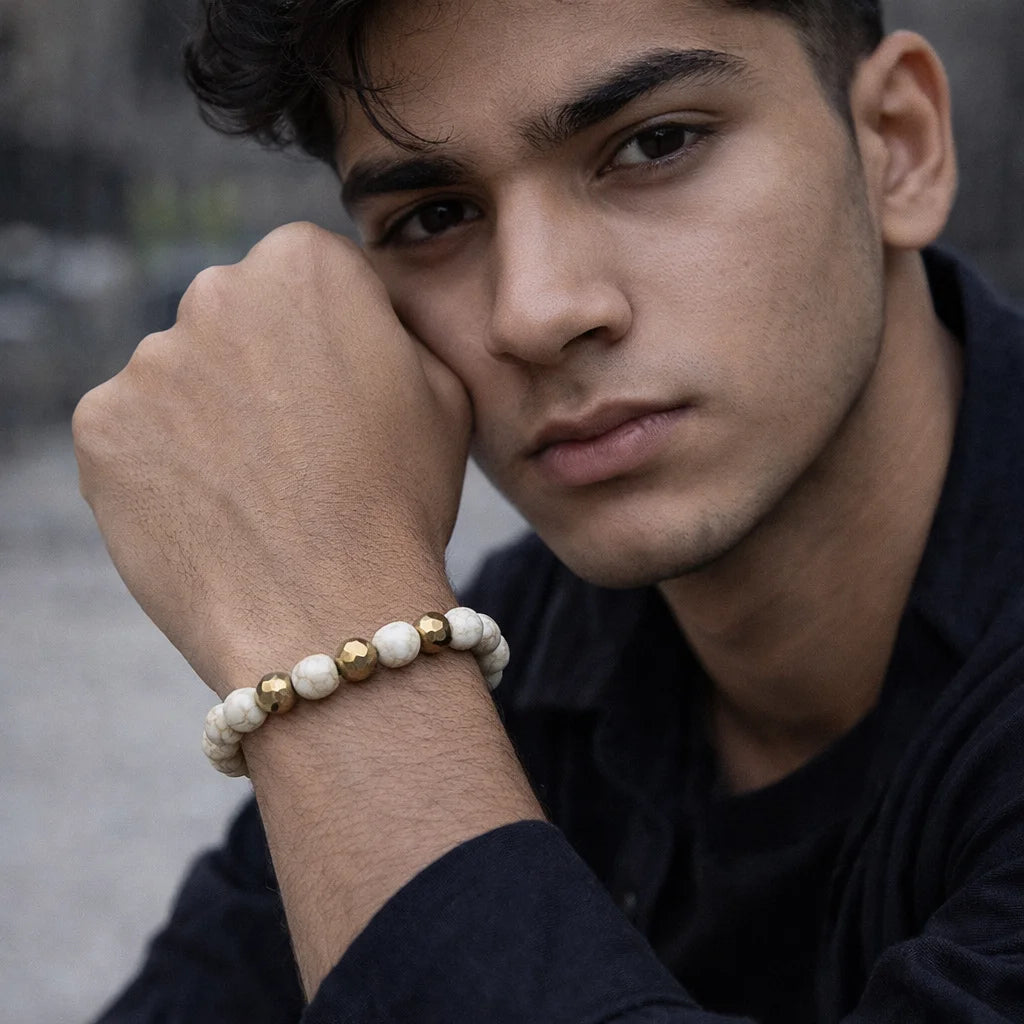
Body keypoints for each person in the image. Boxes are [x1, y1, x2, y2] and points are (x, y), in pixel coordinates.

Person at [73, 0, 1024, 1020]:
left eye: (654, 146)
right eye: (434, 216)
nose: (533, 310)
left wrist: (343, 656)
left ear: (898, 146)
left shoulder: (422, 670)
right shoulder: (530, 645)